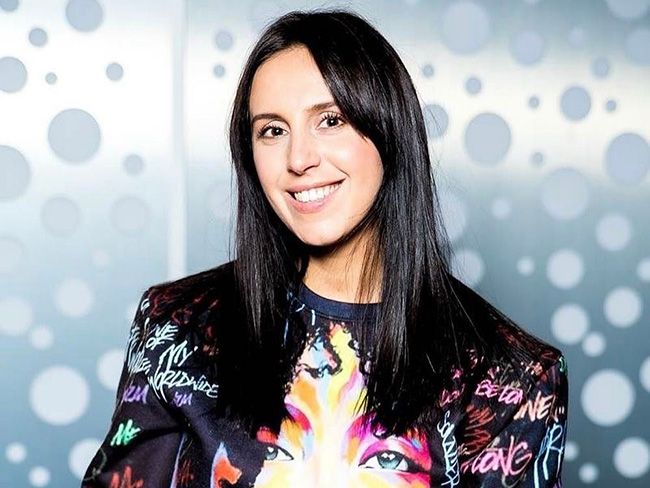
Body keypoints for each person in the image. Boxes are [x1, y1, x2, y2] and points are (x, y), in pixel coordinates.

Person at [82, 8, 568, 488]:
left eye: (330, 120)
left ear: (389, 131)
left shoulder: (514, 378)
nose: (299, 159)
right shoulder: (176, 326)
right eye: (273, 130)